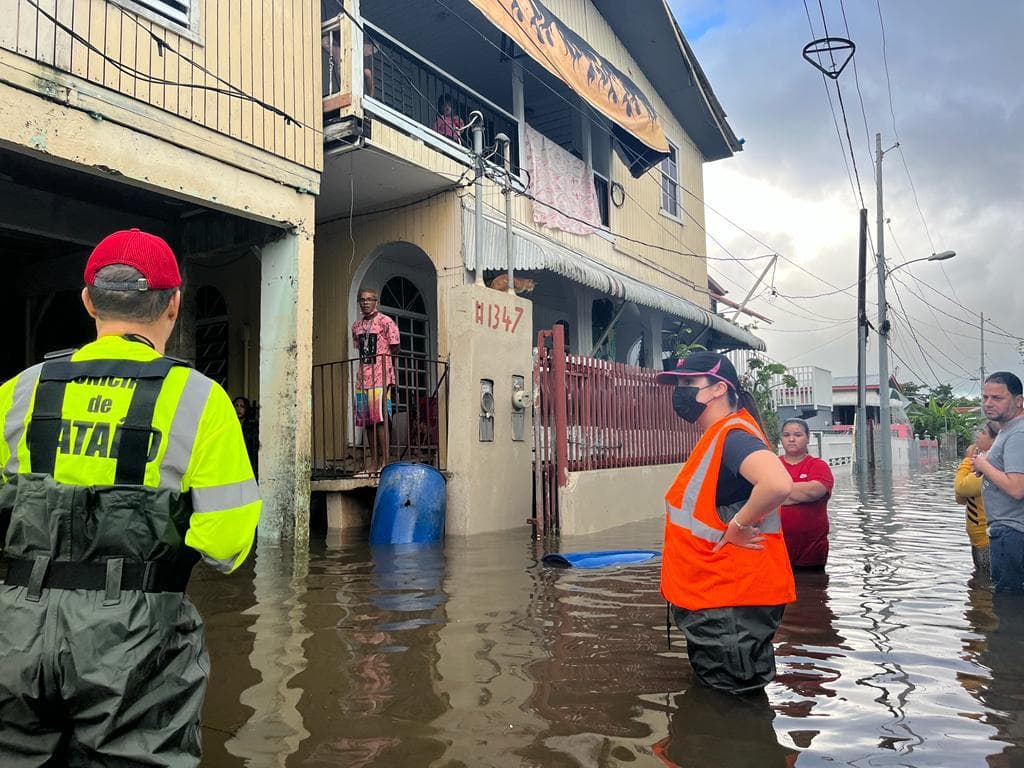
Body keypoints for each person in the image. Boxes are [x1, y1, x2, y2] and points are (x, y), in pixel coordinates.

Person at [0, 229, 261, 766]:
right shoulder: (200, 401)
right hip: (135, 642)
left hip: (13, 633)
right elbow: (228, 545)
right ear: (175, 305)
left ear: (88, 300)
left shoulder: (20, 390)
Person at [656, 351, 795, 695]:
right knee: (724, 706)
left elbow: (777, 484)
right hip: (720, 602)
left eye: (689, 383)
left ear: (718, 389)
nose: (681, 391)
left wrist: (737, 525)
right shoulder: (719, 437)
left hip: (730, 605)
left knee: (732, 709)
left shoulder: (733, 437)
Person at [972, 371, 1024, 592]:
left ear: (1019, 400)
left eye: (997, 398)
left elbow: (1017, 488)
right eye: (985, 397)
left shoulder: (1017, 434)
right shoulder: (1008, 430)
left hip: (1012, 533)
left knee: (1009, 606)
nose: (988, 403)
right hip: (1007, 532)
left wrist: (984, 465)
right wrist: (986, 467)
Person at [352, 287, 400, 473]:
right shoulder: (356, 326)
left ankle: (385, 462)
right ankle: (373, 461)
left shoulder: (386, 322)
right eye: (362, 300)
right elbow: (358, 346)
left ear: (376, 302)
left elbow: (395, 347)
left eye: (369, 299)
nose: (365, 303)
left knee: (380, 419)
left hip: (381, 375)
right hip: (363, 378)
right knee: (368, 421)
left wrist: (385, 363)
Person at [778, 417, 835, 568]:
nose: (791, 439)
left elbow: (812, 492)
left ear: (808, 438)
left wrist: (774, 493)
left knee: (812, 590)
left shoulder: (818, 466)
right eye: (786, 435)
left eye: (797, 435)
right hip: (776, 549)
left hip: (811, 550)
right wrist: (795, 493)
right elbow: (754, 494)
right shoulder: (772, 465)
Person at [955, 421, 999, 571]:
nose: (978, 436)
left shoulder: (991, 466)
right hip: (978, 539)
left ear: (995, 441)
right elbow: (960, 498)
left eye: (984, 433)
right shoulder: (981, 463)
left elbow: (962, 488)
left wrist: (967, 461)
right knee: (980, 583)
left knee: (985, 584)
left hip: (987, 540)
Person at [234, 395, 260, 480]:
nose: (238, 409)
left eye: (242, 406)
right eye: (236, 406)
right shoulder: (229, 425)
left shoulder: (252, 426)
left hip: (248, 463)